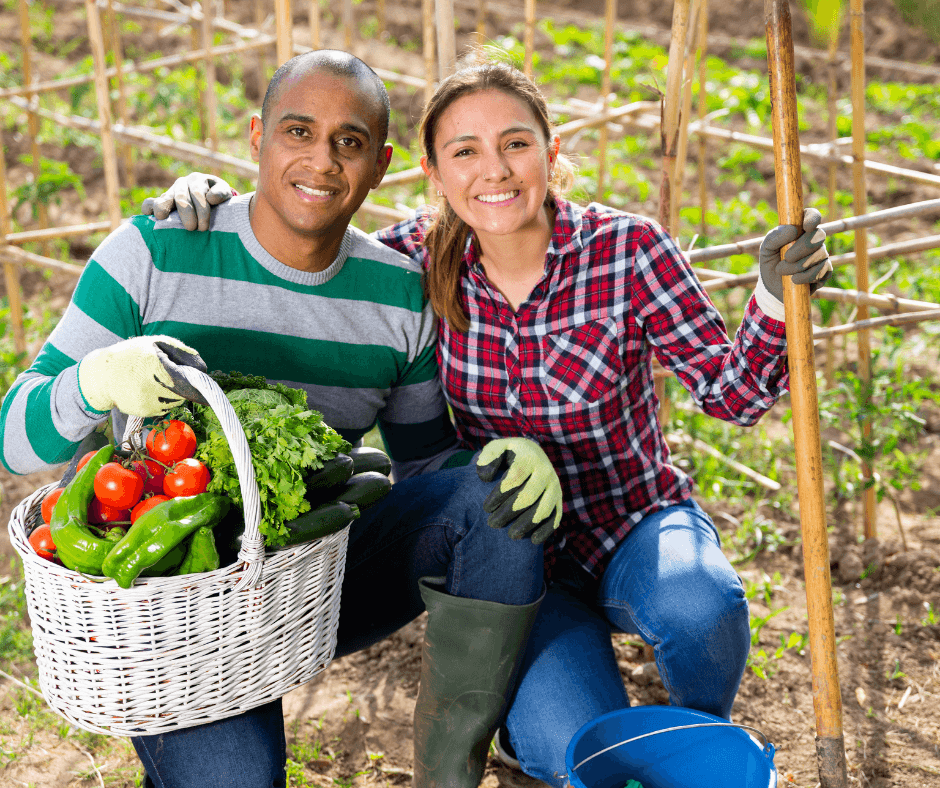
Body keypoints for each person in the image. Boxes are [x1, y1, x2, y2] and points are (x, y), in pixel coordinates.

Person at [146, 53, 832, 787]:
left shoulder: (629, 252)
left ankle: (698, 739)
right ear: (433, 172)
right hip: (514, 557)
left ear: (550, 149)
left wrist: (770, 300)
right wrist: (215, 206)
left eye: (514, 143)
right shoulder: (412, 263)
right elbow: (305, 234)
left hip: (633, 523)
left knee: (701, 604)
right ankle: (536, 716)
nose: (494, 171)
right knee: (568, 748)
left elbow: (734, 396)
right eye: (464, 152)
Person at [0, 51, 570, 788]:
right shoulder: (153, 252)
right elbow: (11, 442)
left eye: (350, 141)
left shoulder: (398, 295)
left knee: (496, 505)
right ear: (257, 138)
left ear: (381, 164)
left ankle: (451, 775)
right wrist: (95, 381)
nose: (322, 161)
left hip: (314, 579)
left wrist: (504, 459)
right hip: (177, 606)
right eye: (297, 131)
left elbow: (426, 467)